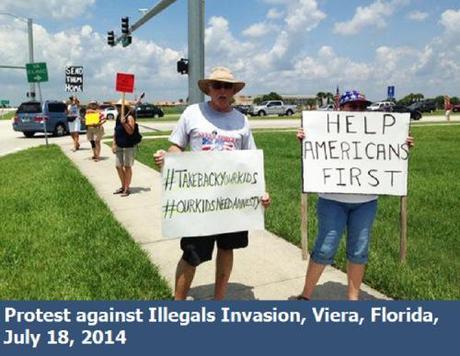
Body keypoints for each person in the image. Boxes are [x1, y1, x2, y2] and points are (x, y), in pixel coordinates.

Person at [153, 66, 271, 300]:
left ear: (233, 91)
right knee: (192, 254)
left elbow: (251, 160)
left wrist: (261, 192)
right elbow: (176, 146)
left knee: (227, 248)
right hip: (200, 203)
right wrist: (166, 157)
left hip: (231, 202)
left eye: (228, 86)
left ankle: (219, 300)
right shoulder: (192, 113)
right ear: (208, 89)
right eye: (217, 85)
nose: (222, 90)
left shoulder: (241, 120)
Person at [296, 90, 415, 300]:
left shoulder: (376, 131)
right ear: (340, 109)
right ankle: (306, 296)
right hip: (332, 201)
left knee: (359, 251)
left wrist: (400, 144)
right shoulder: (326, 130)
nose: (358, 111)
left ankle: (353, 300)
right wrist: (307, 139)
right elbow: (317, 151)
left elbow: (387, 154)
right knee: (324, 249)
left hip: (366, 202)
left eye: (362, 107)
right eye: (352, 106)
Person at [112, 99, 137, 197]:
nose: (118, 108)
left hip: (128, 146)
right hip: (119, 145)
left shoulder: (130, 117)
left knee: (127, 167)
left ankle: (126, 188)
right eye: (117, 106)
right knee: (118, 166)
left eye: (120, 106)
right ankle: (123, 186)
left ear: (125, 108)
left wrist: (124, 123)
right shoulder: (118, 117)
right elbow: (116, 131)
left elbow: (130, 132)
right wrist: (113, 143)